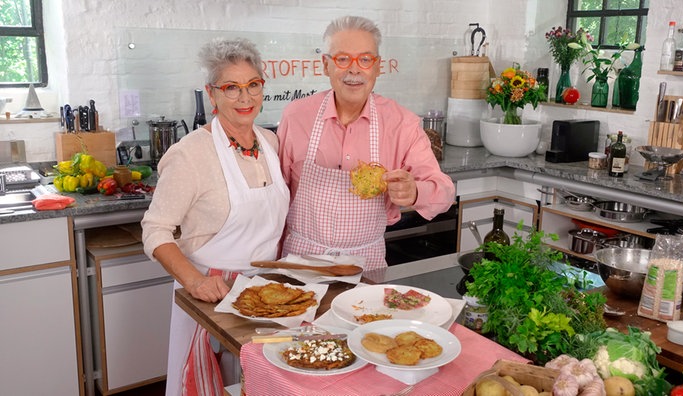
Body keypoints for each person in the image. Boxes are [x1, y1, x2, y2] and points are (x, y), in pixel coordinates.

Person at [141, 37, 289, 396]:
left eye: (253, 85)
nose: (245, 98)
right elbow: (155, 230)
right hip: (209, 297)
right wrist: (195, 282)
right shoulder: (190, 154)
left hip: (263, 297)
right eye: (231, 88)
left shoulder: (270, 142)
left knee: (254, 386)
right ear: (212, 94)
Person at [278, 15, 455, 270]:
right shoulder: (296, 117)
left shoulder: (402, 124)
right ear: (325, 65)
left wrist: (415, 191)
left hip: (366, 266)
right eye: (342, 59)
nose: (354, 69)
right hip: (301, 263)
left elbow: (445, 191)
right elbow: (275, 198)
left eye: (364, 59)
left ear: (377, 66)